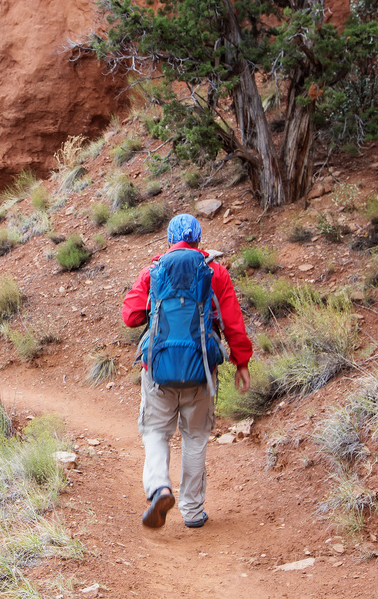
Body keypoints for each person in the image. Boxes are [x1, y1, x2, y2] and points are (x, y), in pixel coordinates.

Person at [121, 213, 252, 528]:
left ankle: (159, 488)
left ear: (168, 240)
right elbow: (232, 321)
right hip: (201, 370)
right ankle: (192, 512)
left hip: (158, 370)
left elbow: (130, 316)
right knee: (195, 437)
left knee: (155, 432)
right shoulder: (214, 273)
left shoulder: (152, 272)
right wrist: (242, 361)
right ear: (198, 241)